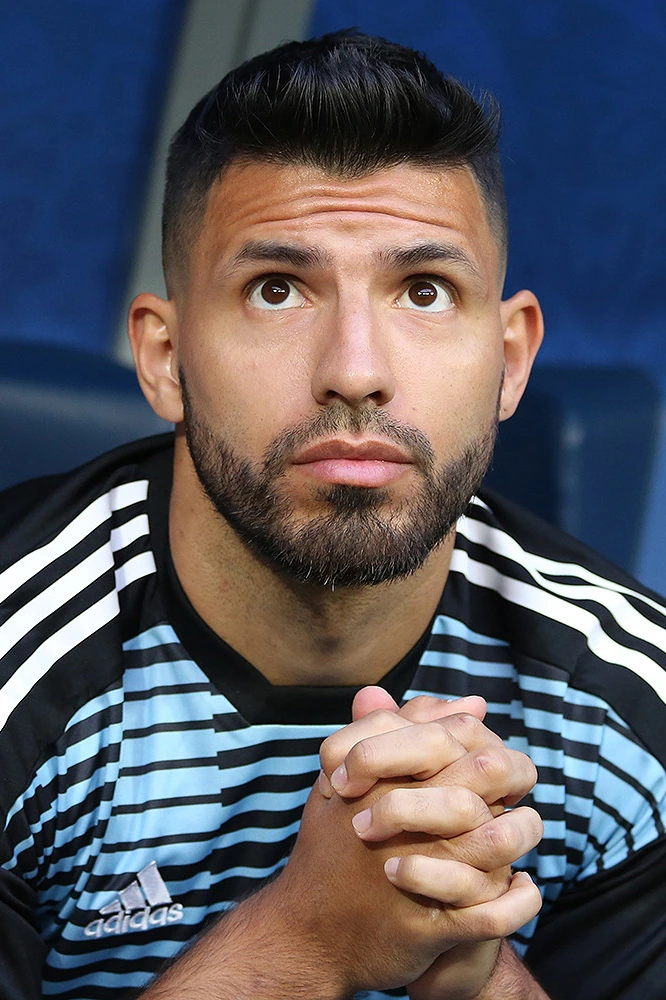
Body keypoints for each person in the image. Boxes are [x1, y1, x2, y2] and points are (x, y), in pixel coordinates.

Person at [1, 29, 666, 1000]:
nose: (355, 369)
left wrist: (472, 958)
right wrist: (309, 941)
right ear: (163, 358)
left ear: (512, 359)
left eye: (424, 291)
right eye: (277, 290)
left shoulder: (626, 707)